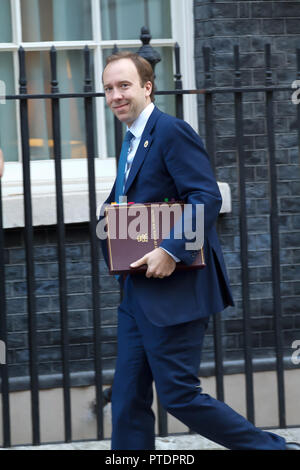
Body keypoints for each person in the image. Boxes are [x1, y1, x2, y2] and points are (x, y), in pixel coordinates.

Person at [100, 51, 299, 450]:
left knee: (179, 396)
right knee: (126, 397)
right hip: (137, 291)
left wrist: (171, 250)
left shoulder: (170, 131)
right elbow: (132, 199)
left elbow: (205, 197)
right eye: (108, 88)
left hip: (175, 289)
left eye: (124, 85)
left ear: (146, 87)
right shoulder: (133, 138)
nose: (115, 95)